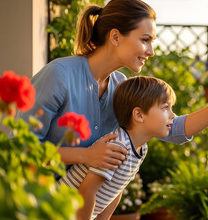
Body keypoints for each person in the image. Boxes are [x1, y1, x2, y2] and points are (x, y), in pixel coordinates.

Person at [18, 0, 208, 218]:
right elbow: (19, 146)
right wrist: (85, 156)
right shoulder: (59, 75)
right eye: (145, 40)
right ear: (116, 37)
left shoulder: (120, 86)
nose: (151, 51)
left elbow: (172, 128)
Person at [59, 76, 177, 219]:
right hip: (58, 210)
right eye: (165, 108)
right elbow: (87, 191)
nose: (173, 115)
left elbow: (116, 191)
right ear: (139, 115)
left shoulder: (141, 148)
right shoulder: (118, 146)